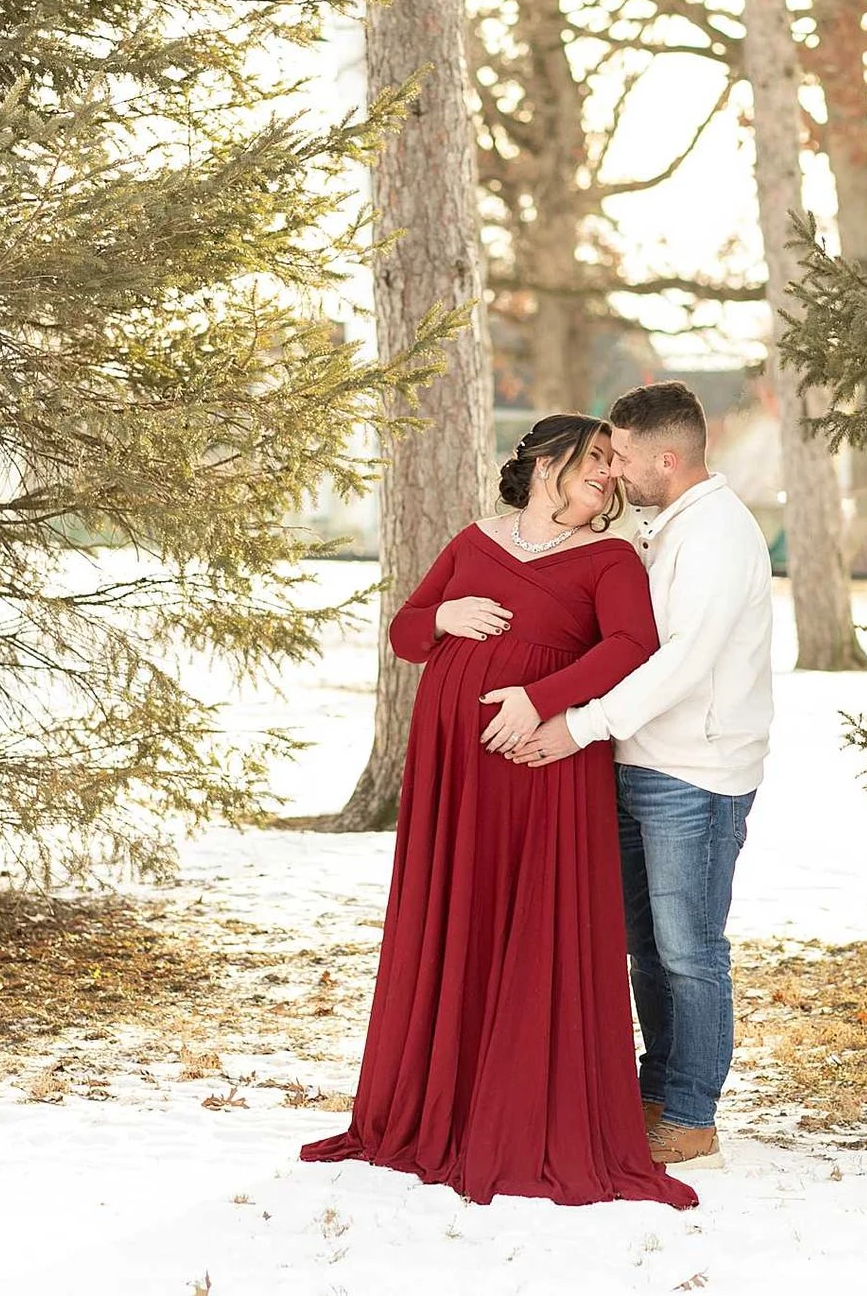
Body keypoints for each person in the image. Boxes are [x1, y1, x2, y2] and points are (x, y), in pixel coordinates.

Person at [300, 414, 698, 1209]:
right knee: (462, 922)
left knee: (530, 925)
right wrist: (444, 617)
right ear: (546, 461)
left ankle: (520, 1113)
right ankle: (441, 1101)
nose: (608, 476)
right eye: (594, 460)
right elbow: (407, 632)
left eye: (614, 468)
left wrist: (540, 698)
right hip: (456, 781)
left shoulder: (610, 556)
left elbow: (631, 645)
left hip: (543, 767)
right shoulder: (475, 540)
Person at [496, 381, 772, 1172]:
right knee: (646, 948)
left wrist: (577, 724)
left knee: (689, 949)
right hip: (643, 760)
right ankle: (656, 1092)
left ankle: (692, 1116)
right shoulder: (666, 527)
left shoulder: (715, 534)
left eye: (617, 453)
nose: (609, 469)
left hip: (697, 772)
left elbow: (681, 661)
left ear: (666, 457)